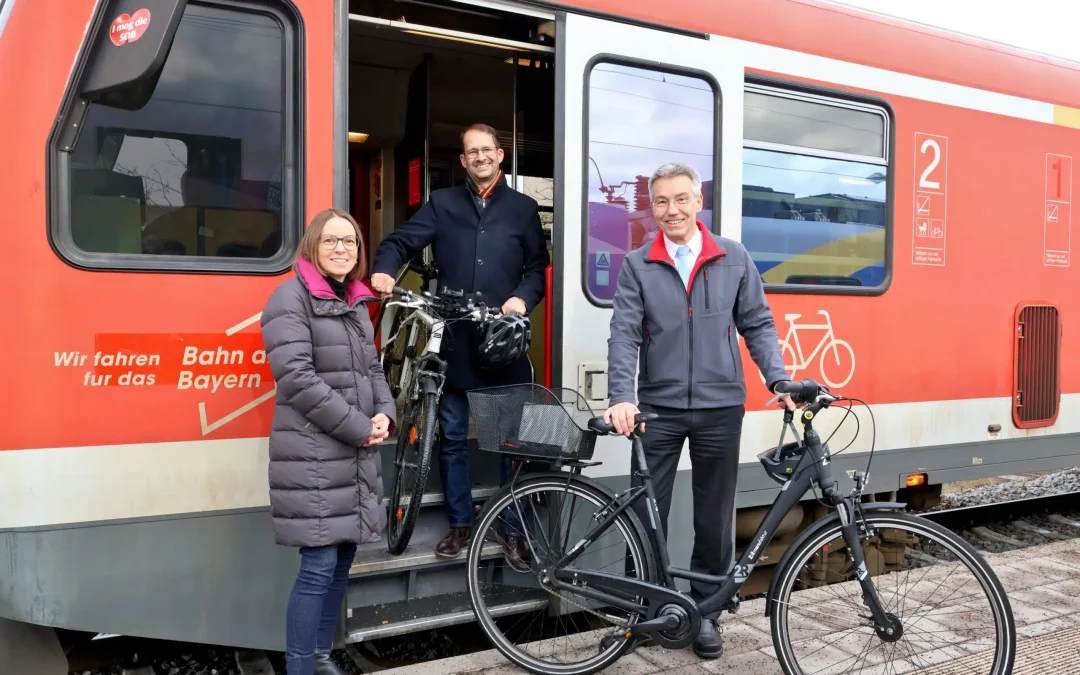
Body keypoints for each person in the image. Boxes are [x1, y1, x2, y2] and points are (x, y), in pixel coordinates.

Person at [603, 162, 795, 661]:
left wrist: (777, 378)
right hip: (657, 408)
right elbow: (623, 333)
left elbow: (757, 323)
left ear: (698, 201)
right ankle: (644, 613)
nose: (672, 210)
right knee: (645, 515)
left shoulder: (733, 256)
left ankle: (706, 613)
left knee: (713, 517)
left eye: (681, 199)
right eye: (661, 201)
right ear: (652, 207)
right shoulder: (638, 264)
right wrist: (622, 395)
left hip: (720, 406)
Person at [370, 123, 548, 569]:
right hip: (453, 343)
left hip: (502, 342)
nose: (480, 157)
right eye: (472, 152)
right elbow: (400, 241)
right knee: (451, 439)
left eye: (487, 150)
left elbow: (537, 268)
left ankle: (512, 530)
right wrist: (385, 269)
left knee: (511, 444)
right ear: (464, 160)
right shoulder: (443, 203)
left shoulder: (524, 208)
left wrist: (520, 299)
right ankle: (460, 524)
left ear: (500, 155)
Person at [261, 208, 396, 675]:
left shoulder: (354, 302)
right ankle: (301, 666)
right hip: (314, 456)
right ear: (313, 245)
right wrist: (361, 426)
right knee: (318, 566)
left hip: (352, 454)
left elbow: (372, 369)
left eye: (350, 241)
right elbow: (296, 379)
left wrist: (385, 413)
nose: (342, 249)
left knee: (341, 560)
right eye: (331, 240)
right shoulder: (290, 298)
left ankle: (319, 656)